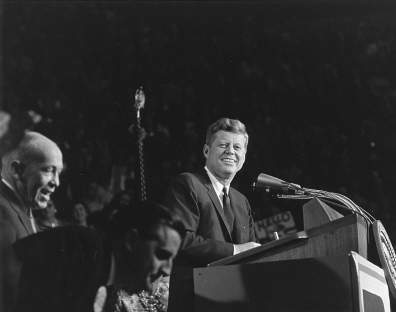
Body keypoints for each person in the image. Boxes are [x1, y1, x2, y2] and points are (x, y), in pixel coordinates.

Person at [13, 201, 185, 312]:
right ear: (131, 240)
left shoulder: (102, 272)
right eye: (162, 254)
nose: (168, 269)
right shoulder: (81, 247)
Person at [164, 117, 260, 268]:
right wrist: (234, 250)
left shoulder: (242, 201)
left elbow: (252, 250)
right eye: (223, 145)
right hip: (195, 289)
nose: (230, 151)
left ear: (244, 156)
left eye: (237, 147)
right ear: (206, 151)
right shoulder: (188, 183)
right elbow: (179, 238)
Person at [0, 131, 63, 312]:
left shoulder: (22, 206)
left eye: (59, 172)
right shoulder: (3, 215)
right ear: (17, 170)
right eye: (48, 169)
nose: (56, 182)